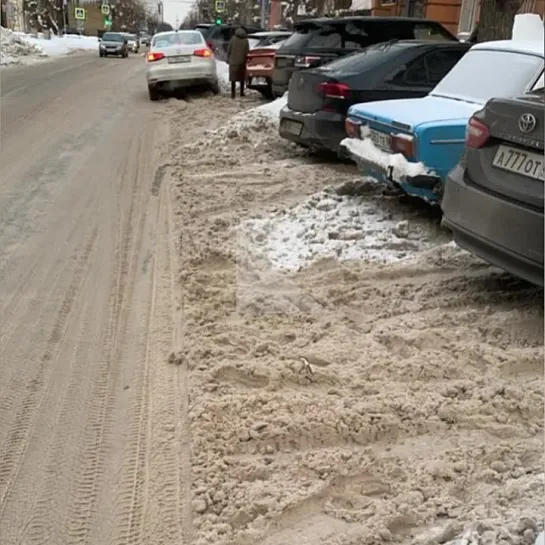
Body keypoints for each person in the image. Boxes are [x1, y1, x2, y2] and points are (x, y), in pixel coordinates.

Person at [227, 27, 250, 99]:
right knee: (242, 77)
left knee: (233, 79)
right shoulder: (246, 40)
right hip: (242, 61)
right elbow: (247, 51)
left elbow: (229, 49)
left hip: (233, 61)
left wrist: (228, 58)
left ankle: (233, 94)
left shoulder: (233, 39)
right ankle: (241, 92)